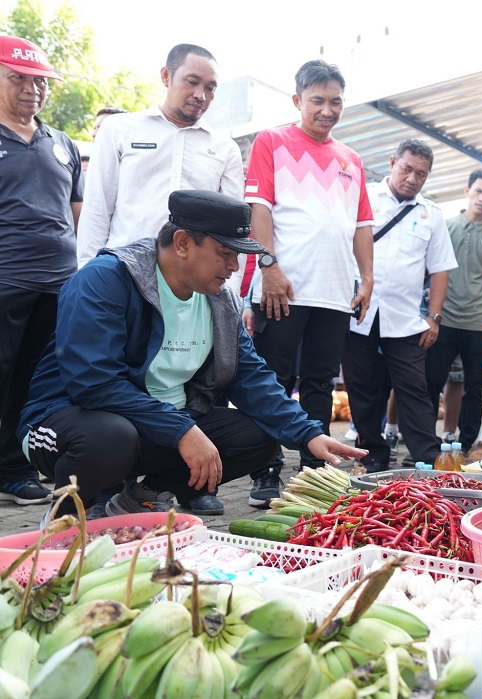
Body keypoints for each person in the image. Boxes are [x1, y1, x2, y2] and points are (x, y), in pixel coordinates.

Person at [18, 191, 365, 519]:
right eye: (225, 253)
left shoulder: (220, 300)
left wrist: (308, 433)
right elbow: (92, 383)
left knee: (260, 436)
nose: (234, 266)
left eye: (239, 255)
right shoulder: (104, 281)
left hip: (158, 426)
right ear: (183, 242)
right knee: (111, 437)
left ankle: (140, 498)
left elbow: (252, 377)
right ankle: (68, 515)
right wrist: (183, 430)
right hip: (68, 423)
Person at [243, 59, 373, 506]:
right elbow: (258, 208)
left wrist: (367, 277)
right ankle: (264, 470)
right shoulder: (272, 141)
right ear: (298, 100)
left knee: (320, 382)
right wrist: (269, 266)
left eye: (335, 101)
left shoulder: (351, 159)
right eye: (317, 100)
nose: (327, 109)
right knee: (272, 380)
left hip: (335, 293)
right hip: (284, 287)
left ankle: (315, 473)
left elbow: (362, 225)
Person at [0, 35, 82, 507]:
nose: (32, 90)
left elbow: (75, 214)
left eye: (40, 81)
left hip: (57, 285)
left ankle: (12, 469)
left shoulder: (63, 144)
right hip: (5, 281)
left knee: (32, 380)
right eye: (19, 78)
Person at [76, 44, 243, 268]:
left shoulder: (225, 148)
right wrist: (88, 273)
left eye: (210, 88)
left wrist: (227, 292)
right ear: (166, 76)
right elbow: (97, 209)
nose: (201, 95)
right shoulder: (119, 129)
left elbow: (231, 227)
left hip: (192, 281)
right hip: (123, 271)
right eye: (192, 82)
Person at [343, 139, 455, 473]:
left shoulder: (431, 215)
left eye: (421, 174)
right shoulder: (362, 197)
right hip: (359, 311)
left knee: (415, 387)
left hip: (404, 318)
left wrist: (433, 317)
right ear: (393, 162)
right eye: (406, 168)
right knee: (363, 386)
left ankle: (427, 455)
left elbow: (440, 269)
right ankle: (372, 452)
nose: (412, 178)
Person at [425, 168, 482, 452]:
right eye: (479, 191)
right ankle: (426, 442)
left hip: (478, 324)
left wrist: (474, 303)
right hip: (442, 319)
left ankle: (466, 444)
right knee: (430, 382)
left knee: (475, 388)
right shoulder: (444, 227)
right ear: (467, 190)